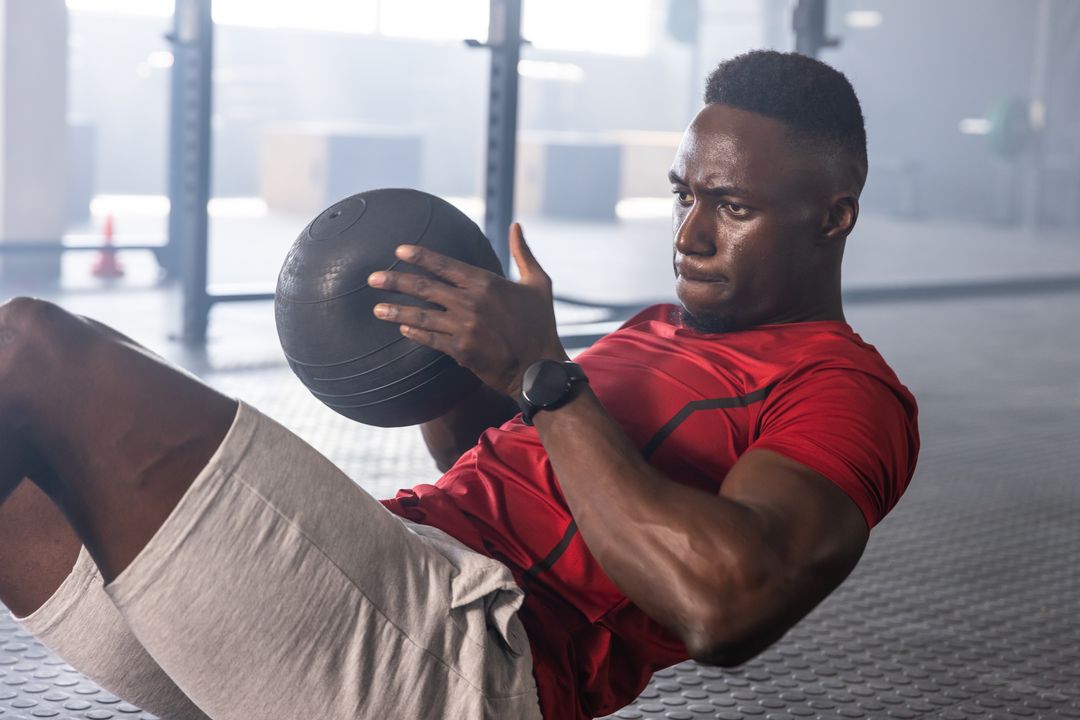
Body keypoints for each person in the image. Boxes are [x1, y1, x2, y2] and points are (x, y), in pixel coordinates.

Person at [0, 50, 918, 720]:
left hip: (468, 660)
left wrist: (542, 376)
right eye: (686, 194)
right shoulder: (664, 326)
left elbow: (726, 604)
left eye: (735, 206)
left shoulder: (844, 392)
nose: (689, 236)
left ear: (835, 217)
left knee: (33, 347)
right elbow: (531, 472)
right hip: (398, 570)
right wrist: (460, 363)